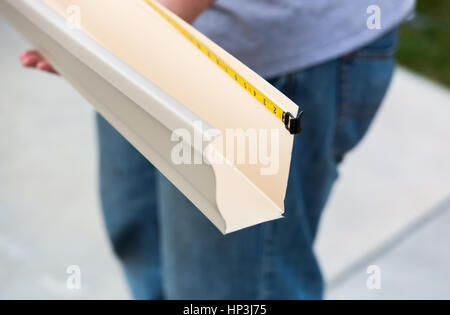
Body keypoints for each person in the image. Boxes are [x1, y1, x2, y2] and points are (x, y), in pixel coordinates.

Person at [21, 0, 415, 299]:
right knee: (140, 239)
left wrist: (130, 33)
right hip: (140, 32)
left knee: (225, 292)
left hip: (263, 62)